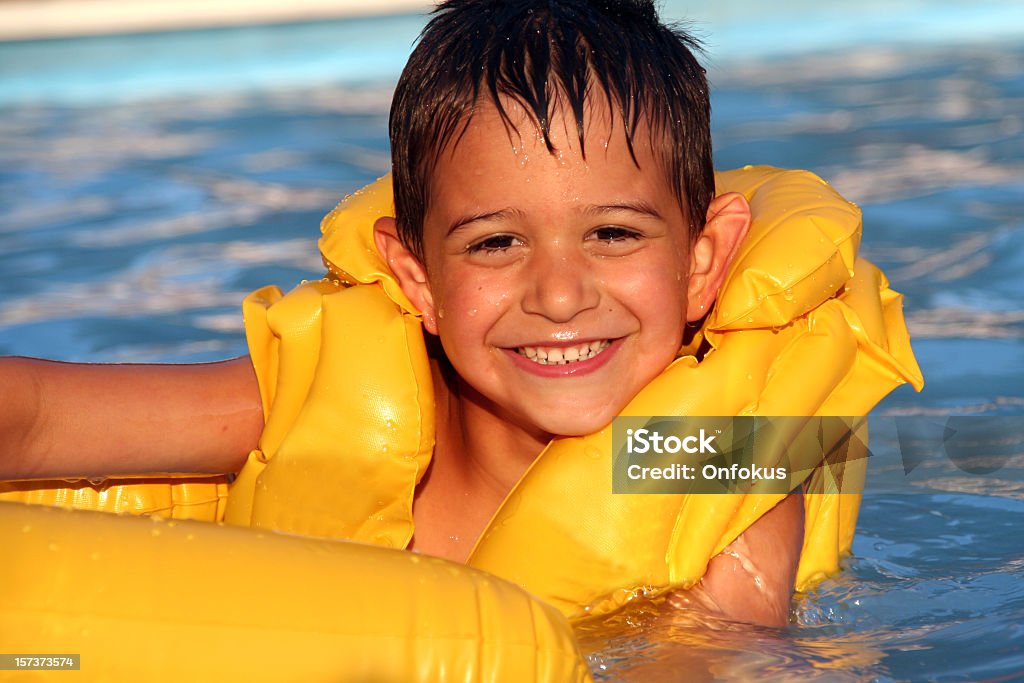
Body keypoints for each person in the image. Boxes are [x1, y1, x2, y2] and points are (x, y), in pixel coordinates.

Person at [0, 0, 915, 629]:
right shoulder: (325, 401)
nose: (559, 296)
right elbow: (34, 424)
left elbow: (725, 658)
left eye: (612, 232)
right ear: (417, 275)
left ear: (705, 260)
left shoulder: (728, 459)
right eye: (494, 244)